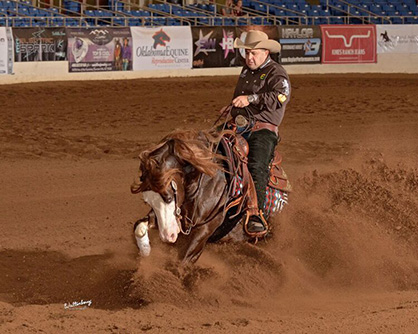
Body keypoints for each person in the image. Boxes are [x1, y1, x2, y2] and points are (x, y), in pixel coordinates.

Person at [230, 30, 291, 235]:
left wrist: (251, 99)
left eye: (253, 53)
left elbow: (280, 97)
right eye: (246, 53)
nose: (249, 57)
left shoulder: (277, 73)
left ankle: (256, 214)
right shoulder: (246, 71)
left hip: (263, 130)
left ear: (266, 52)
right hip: (239, 125)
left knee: (257, 165)